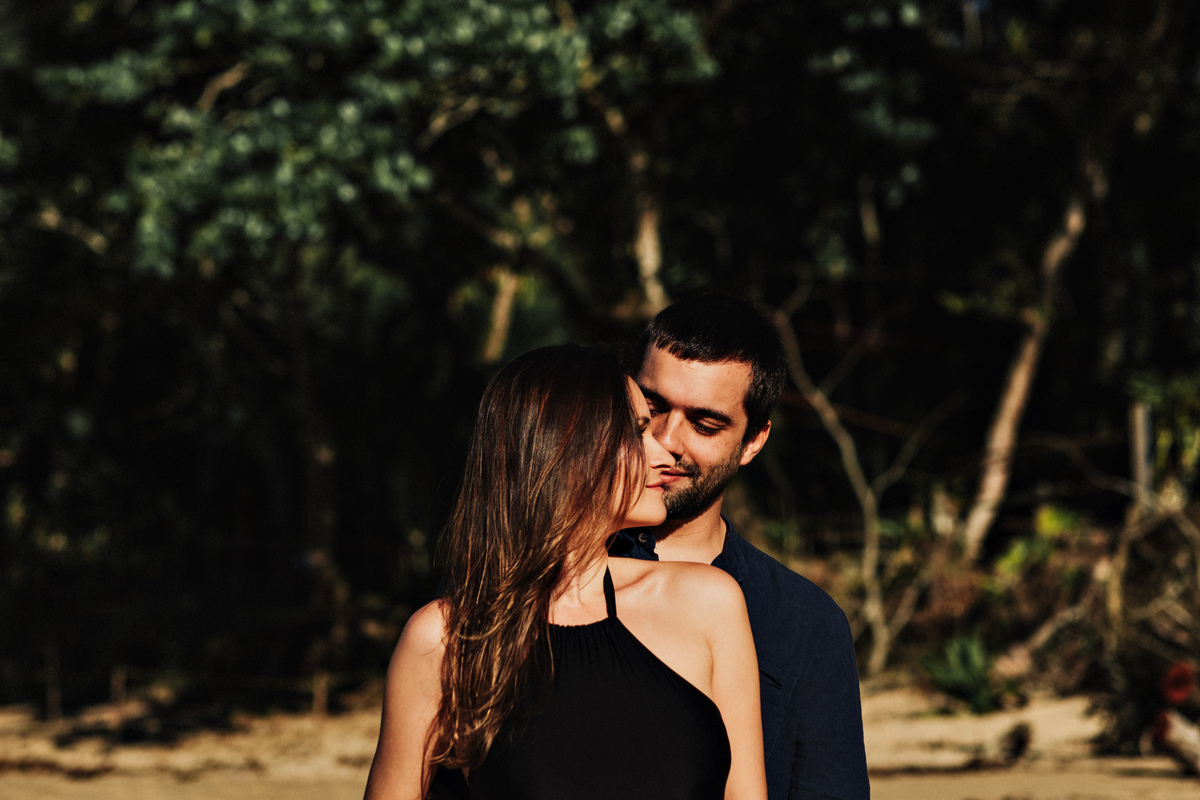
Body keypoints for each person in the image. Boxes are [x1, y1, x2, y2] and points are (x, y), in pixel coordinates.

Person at [364, 344, 768, 800]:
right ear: (568, 447)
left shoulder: (709, 604)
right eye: (638, 431)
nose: (665, 452)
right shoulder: (445, 639)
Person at [611, 294, 870, 800]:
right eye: (651, 408)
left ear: (753, 442)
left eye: (705, 424)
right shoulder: (529, 577)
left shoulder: (803, 624)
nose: (667, 439)